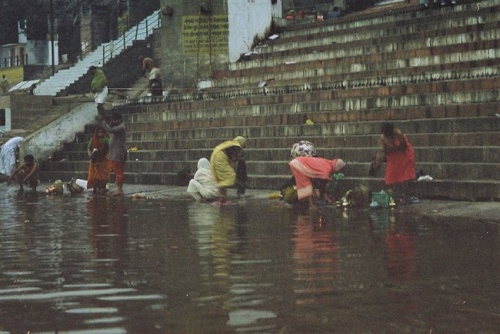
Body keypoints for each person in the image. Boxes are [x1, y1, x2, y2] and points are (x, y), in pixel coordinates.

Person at [376, 122, 416, 204]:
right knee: (391, 176)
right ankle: (393, 196)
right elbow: (385, 151)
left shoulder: (398, 134)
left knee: (406, 176)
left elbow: (404, 146)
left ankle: (405, 196)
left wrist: (393, 147)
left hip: (405, 154)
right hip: (393, 157)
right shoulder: (383, 139)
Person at [210, 137, 244, 204]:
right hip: (220, 158)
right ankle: (222, 199)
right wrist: (240, 159)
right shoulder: (237, 147)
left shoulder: (232, 144)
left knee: (223, 180)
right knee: (230, 176)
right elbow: (234, 158)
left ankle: (222, 199)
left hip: (217, 156)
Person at [101, 111, 127, 196]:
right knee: (117, 171)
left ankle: (120, 190)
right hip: (115, 153)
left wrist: (104, 123)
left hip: (118, 153)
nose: (113, 121)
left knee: (119, 171)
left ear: (119, 119)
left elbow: (110, 130)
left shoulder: (121, 127)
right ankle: (119, 189)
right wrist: (111, 122)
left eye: (115, 119)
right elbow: (111, 126)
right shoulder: (119, 126)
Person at [87, 125, 111, 195]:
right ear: (97, 133)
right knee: (94, 176)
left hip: (103, 161)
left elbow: (110, 148)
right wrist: (91, 156)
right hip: (94, 161)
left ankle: (102, 188)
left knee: (103, 176)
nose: (101, 134)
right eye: (99, 132)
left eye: (102, 132)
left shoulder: (106, 139)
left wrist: (107, 156)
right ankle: (95, 188)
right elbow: (89, 148)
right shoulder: (93, 139)